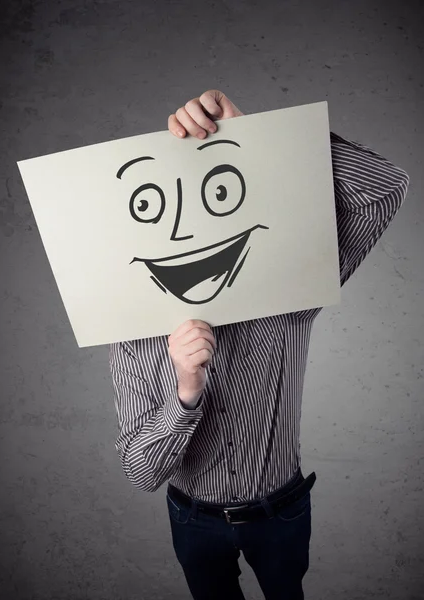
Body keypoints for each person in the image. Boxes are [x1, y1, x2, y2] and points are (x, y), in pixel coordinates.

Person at [109, 89, 410, 600]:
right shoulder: (133, 331)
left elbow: (383, 188)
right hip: (193, 519)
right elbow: (141, 472)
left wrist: (262, 139)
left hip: (281, 511)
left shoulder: (290, 294)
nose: (188, 231)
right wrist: (185, 390)